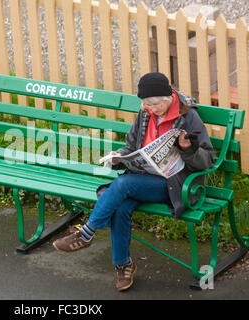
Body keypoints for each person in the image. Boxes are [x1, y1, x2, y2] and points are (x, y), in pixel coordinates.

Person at [52, 72, 215, 291]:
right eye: (147, 103)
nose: (152, 108)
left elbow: (207, 161)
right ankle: (123, 265)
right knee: (120, 206)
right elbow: (131, 148)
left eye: (156, 103)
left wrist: (188, 149)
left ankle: (87, 233)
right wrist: (119, 157)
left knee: (122, 185)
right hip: (142, 178)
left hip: (173, 184)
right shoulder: (145, 115)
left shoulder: (189, 117)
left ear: (169, 97)